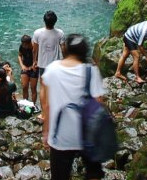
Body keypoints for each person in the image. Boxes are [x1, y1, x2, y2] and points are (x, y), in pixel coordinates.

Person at [41, 33, 106, 180]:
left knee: (60, 175)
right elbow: (98, 102)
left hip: (60, 136)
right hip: (87, 134)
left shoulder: (52, 69)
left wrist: (46, 131)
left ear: (66, 48)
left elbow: (47, 104)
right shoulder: (91, 71)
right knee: (94, 172)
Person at [114, 20, 147, 84]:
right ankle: (137, 78)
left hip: (129, 34)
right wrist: (146, 56)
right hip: (130, 38)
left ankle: (117, 73)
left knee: (125, 55)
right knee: (136, 56)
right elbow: (140, 46)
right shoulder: (144, 32)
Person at [32, 10, 66, 82]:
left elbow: (35, 50)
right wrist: (66, 61)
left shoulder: (37, 33)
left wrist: (34, 62)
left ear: (44, 21)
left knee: (43, 86)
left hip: (42, 64)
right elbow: (63, 49)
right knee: (55, 85)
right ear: (55, 21)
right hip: (55, 65)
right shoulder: (60, 33)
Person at [18, 34, 38, 104]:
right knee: (24, 87)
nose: (23, 46)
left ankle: (33, 105)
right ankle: (25, 103)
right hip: (25, 67)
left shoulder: (35, 48)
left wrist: (35, 65)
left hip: (34, 69)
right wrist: (22, 65)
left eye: (25, 44)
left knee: (33, 88)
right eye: (22, 44)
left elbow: (40, 59)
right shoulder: (22, 47)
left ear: (29, 43)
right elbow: (19, 56)